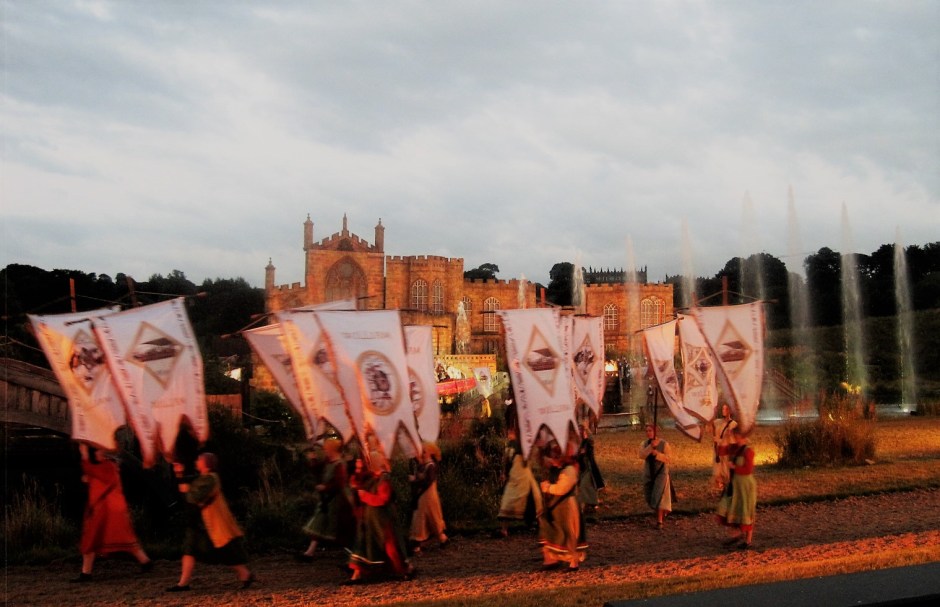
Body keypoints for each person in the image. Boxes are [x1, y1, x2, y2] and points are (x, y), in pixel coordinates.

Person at [167, 452, 254, 592]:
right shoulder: (203, 478)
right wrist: (179, 473)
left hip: (211, 524)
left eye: (199, 460)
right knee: (189, 550)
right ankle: (183, 583)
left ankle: (245, 574)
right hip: (200, 523)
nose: (196, 461)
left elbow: (193, 496)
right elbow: (184, 488)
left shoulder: (210, 479)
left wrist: (185, 487)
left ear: (206, 465)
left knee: (224, 551)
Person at [71, 443, 152, 582]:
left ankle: (86, 573)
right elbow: (97, 477)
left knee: (91, 539)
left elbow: (93, 472)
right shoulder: (109, 467)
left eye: (99, 450)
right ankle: (145, 561)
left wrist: (84, 455)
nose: (97, 453)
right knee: (125, 538)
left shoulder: (107, 466)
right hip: (109, 508)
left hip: (107, 509)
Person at [346, 450, 415, 583]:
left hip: (383, 520)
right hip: (370, 519)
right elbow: (358, 482)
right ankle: (357, 573)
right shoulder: (372, 477)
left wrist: (365, 496)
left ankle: (404, 570)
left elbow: (383, 500)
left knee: (391, 547)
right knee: (365, 544)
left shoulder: (384, 479)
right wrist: (357, 471)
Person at [298, 438, 354, 561]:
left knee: (340, 528)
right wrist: (313, 459)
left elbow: (340, 484)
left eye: (327, 449)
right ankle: (310, 552)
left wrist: (325, 487)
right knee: (320, 522)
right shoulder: (328, 461)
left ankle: (353, 556)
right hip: (327, 500)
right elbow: (317, 470)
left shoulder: (340, 464)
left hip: (338, 501)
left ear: (332, 449)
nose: (325, 451)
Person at [537, 443, 586, 572]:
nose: (553, 459)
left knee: (569, 533)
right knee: (555, 531)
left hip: (567, 506)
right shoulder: (558, 467)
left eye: (556, 457)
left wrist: (547, 487)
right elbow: (545, 461)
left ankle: (573, 563)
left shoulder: (569, 470)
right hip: (558, 506)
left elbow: (562, 488)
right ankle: (551, 559)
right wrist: (541, 449)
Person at [496, 427, 543, 537]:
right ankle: (504, 529)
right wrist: (504, 473)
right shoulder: (510, 444)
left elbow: (527, 460)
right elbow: (506, 460)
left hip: (524, 477)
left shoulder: (524, 445)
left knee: (534, 500)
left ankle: (541, 526)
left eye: (511, 432)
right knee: (508, 501)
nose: (509, 433)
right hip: (514, 476)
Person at [716, 427, 757, 549]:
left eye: (736, 436)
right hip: (735, 484)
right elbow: (720, 451)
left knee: (745, 511)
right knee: (728, 508)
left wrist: (734, 467)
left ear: (743, 437)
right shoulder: (734, 448)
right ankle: (737, 534)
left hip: (745, 485)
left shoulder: (748, 451)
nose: (735, 438)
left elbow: (748, 469)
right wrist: (725, 438)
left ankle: (747, 541)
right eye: (734, 436)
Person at [408, 443, 448, 554]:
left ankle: (439, 538)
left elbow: (427, 482)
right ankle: (438, 538)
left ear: (431, 453)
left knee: (430, 517)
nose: (423, 453)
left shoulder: (431, 466)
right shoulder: (423, 465)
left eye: (425, 451)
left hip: (428, 496)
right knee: (423, 517)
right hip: (424, 496)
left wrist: (415, 481)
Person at [638, 424, 673, 529]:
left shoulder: (664, 444)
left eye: (650, 431)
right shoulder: (644, 443)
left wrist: (657, 454)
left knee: (659, 496)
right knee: (649, 496)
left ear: (655, 432)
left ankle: (659, 521)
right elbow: (641, 455)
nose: (648, 433)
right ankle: (661, 513)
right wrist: (650, 447)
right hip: (649, 472)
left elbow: (669, 458)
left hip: (661, 473)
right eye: (647, 431)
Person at [576, 421, 605, 513]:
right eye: (579, 429)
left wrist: (586, 428)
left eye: (581, 430)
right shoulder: (579, 443)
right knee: (584, 486)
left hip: (588, 467)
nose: (580, 431)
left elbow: (591, 440)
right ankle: (588, 504)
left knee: (587, 485)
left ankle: (592, 503)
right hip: (581, 468)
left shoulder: (588, 442)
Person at [710, 403, 738, 495]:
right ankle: (721, 488)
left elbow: (733, 440)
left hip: (726, 451)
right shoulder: (717, 422)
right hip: (717, 451)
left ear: (730, 410)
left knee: (725, 472)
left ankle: (726, 489)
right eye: (723, 409)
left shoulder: (733, 424)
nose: (724, 411)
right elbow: (710, 428)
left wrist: (729, 436)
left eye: (726, 409)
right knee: (717, 472)